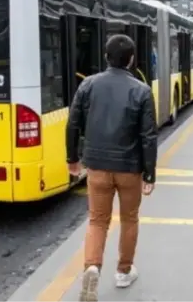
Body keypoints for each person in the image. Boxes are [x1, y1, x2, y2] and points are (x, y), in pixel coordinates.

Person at [66, 34, 158, 302]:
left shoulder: (88, 85)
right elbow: (148, 135)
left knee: (97, 220)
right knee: (129, 219)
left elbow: (73, 123)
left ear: (106, 57)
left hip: (96, 167)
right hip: (130, 168)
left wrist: (72, 158)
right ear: (131, 60)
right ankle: (123, 271)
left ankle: (92, 266)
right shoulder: (141, 90)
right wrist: (149, 173)